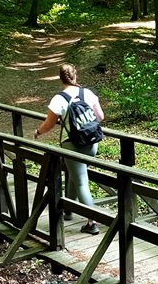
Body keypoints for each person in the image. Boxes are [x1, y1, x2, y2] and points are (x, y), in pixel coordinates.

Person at [33, 64, 105, 235]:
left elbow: (49, 124)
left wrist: (38, 132)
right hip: (92, 143)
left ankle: (92, 222)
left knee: (81, 181)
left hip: (72, 144)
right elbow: (100, 116)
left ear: (61, 78)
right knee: (74, 173)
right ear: (75, 76)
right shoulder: (87, 93)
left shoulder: (59, 99)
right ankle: (68, 210)